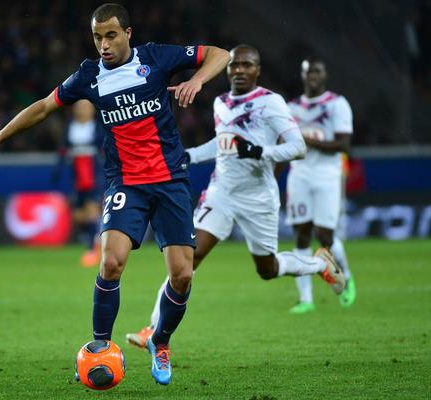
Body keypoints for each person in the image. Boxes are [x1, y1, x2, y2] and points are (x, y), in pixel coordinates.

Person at [0, 3, 230, 385]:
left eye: (110, 35)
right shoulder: (89, 75)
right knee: (110, 262)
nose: (103, 45)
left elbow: (219, 54)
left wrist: (198, 80)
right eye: (97, 37)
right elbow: (44, 107)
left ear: (127, 33)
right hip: (126, 183)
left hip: (170, 180)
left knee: (182, 274)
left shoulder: (155, 58)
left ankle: (160, 341)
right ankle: (99, 348)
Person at [125, 45, 346, 348]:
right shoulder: (221, 102)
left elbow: (298, 147)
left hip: (258, 197)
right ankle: (153, 329)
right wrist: (189, 155)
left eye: (247, 65)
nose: (239, 70)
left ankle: (319, 264)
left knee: (267, 269)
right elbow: (223, 143)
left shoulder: (271, 102)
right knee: (188, 260)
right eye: (234, 65)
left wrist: (259, 151)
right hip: (221, 194)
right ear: (227, 70)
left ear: (258, 70)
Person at [285, 57, 356, 314]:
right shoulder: (291, 107)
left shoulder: (337, 104)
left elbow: (344, 144)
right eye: (309, 71)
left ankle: (345, 277)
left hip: (327, 175)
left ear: (324, 75)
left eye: (317, 71)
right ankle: (306, 299)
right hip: (299, 175)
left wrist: (308, 141)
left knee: (325, 236)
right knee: (301, 234)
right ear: (303, 75)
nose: (313, 75)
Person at [53, 99, 103, 267]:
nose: (82, 110)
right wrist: (58, 170)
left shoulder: (98, 127)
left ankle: (92, 249)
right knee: (77, 213)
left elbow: (104, 149)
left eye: (86, 107)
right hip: (75, 174)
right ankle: (97, 237)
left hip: (93, 174)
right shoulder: (69, 127)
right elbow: (63, 150)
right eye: (79, 107)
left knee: (92, 209)